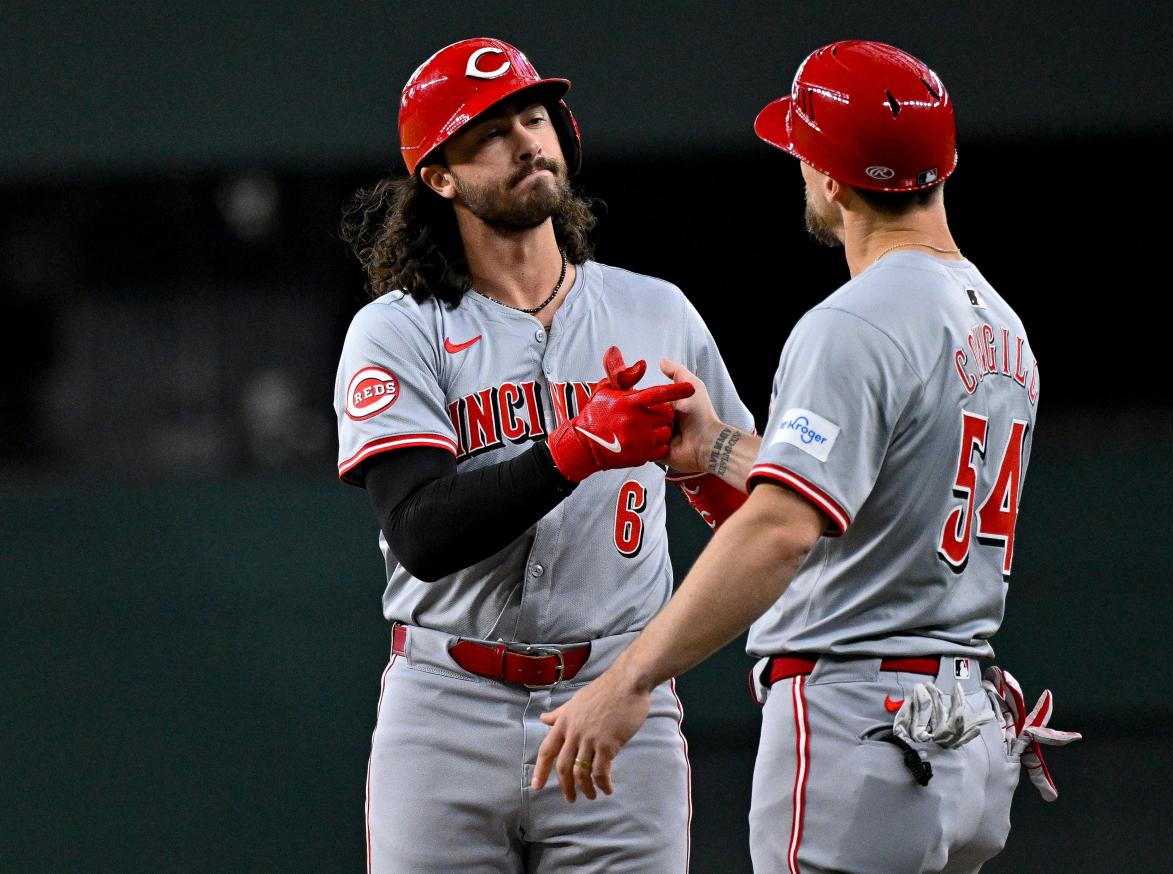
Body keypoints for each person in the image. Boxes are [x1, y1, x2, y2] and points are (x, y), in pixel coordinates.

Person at [533, 40, 1079, 873]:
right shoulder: (999, 324)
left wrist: (630, 679)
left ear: (829, 178)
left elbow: (783, 530)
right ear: (944, 165)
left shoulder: (854, 321)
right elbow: (876, 490)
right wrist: (715, 445)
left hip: (863, 719)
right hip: (961, 728)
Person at [334, 37, 753, 872]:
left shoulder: (656, 311)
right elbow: (421, 534)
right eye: (489, 132)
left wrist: (723, 451)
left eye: (535, 117)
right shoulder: (399, 329)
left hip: (616, 699)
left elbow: (755, 508)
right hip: (448, 703)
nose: (528, 139)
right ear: (440, 177)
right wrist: (571, 451)